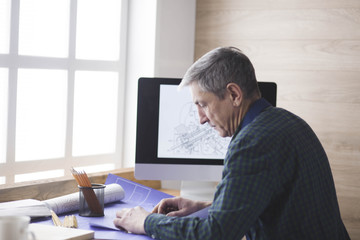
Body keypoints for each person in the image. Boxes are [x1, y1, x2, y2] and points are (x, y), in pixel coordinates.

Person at [113, 47, 350, 239]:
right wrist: (205, 206)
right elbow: (275, 204)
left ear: (234, 95)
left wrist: (147, 222)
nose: (201, 119)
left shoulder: (251, 143)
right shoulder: (290, 122)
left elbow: (216, 234)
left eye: (203, 104)